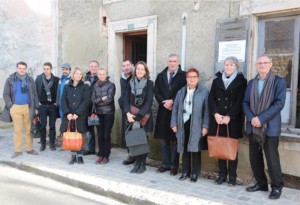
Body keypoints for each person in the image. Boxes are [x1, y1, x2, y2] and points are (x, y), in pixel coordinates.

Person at [243, 55, 286, 200]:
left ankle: (277, 187)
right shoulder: (251, 83)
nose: (262, 65)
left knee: (272, 158)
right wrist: (252, 118)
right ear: (256, 66)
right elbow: (245, 103)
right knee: (254, 157)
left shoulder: (278, 82)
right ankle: (261, 183)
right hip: (253, 126)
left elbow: (279, 103)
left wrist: (261, 119)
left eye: (265, 63)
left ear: (270, 64)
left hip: (270, 127)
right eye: (259, 63)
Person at [208, 56, 247, 186]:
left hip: (232, 120)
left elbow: (240, 101)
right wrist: (215, 114)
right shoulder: (217, 80)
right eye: (226, 65)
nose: (228, 67)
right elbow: (211, 99)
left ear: (236, 66)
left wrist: (229, 116)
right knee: (220, 147)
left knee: (231, 148)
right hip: (218, 119)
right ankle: (222, 175)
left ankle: (232, 177)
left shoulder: (242, 81)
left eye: (231, 65)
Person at [171, 68, 209, 182]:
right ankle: (185, 172)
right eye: (189, 77)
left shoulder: (204, 91)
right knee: (185, 148)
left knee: (195, 149)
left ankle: (195, 173)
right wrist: (173, 123)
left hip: (197, 123)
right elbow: (175, 108)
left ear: (198, 78)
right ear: (186, 79)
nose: (191, 79)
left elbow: (207, 110)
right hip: (183, 122)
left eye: (194, 77)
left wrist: (205, 126)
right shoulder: (181, 92)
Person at [154, 54, 186, 176]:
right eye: (170, 61)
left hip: (176, 110)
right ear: (167, 62)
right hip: (163, 111)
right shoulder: (161, 76)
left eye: (174, 61)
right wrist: (164, 102)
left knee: (175, 140)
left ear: (178, 62)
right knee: (164, 141)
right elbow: (156, 91)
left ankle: (174, 165)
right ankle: (166, 164)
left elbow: (184, 91)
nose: (172, 63)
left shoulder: (183, 76)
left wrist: (172, 101)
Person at [1, 61, 39, 158]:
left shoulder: (30, 80)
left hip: (28, 107)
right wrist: (10, 106)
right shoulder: (10, 79)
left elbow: (35, 94)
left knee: (28, 130)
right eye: (20, 68)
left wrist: (36, 107)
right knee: (17, 130)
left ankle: (29, 149)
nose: (22, 70)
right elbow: (5, 93)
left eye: (24, 68)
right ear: (17, 68)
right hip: (15, 108)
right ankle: (18, 150)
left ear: (26, 69)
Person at [124, 61, 154, 174]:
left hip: (144, 116)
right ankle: (136, 163)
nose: (140, 70)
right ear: (135, 71)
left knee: (143, 140)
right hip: (131, 116)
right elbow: (125, 98)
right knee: (134, 140)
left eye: (142, 69)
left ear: (145, 71)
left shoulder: (149, 83)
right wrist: (127, 113)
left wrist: (139, 116)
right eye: (138, 69)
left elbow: (149, 101)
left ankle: (142, 164)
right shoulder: (130, 82)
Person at [60, 68, 90, 164]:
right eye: (77, 73)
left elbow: (86, 101)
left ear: (82, 76)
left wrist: (77, 113)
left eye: (80, 74)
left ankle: (80, 156)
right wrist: (68, 113)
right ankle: (73, 156)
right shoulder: (67, 86)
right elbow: (63, 100)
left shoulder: (85, 87)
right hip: (69, 116)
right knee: (71, 135)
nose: (78, 75)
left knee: (79, 136)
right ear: (73, 74)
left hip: (79, 116)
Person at [92, 68, 116, 164]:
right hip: (98, 113)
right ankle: (101, 154)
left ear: (106, 75)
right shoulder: (95, 86)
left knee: (106, 135)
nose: (101, 76)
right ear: (97, 75)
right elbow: (93, 100)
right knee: (100, 135)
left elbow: (109, 100)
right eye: (100, 74)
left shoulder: (111, 85)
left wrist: (98, 101)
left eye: (103, 74)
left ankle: (106, 155)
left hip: (108, 113)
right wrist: (102, 98)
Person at [35, 62, 59, 151]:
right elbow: (35, 92)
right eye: (44, 69)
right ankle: (43, 144)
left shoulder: (56, 80)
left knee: (52, 126)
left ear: (51, 69)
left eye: (47, 69)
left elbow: (59, 92)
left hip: (52, 106)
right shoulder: (38, 79)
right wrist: (37, 105)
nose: (46, 71)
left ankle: (52, 144)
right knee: (43, 126)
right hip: (42, 106)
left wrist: (56, 102)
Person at [118, 59, 135, 165]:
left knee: (136, 134)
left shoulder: (135, 77)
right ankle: (131, 155)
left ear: (132, 65)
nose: (126, 67)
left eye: (128, 65)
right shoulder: (122, 78)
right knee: (127, 133)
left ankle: (137, 157)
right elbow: (124, 95)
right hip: (126, 110)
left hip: (134, 109)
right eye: (124, 66)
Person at [83, 60, 99, 156]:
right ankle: (90, 148)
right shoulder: (85, 78)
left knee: (99, 130)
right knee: (90, 129)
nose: (93, 68)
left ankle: (100, 149)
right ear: (89, 68)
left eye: (95, 66)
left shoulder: (100, 78)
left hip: (97, 108)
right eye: (91, 66)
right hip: (88, 109)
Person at [55, 63, 72, 147]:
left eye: (66, 69)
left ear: (70, 70)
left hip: (68, 106)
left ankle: (70, 143)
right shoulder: (61, 79)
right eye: (63, 69)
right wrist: (57, 102)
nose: (65, 71)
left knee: (69, 124)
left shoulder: (71, 79)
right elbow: (58, 91)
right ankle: (65, 143)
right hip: (61, 106)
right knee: (63, 124)